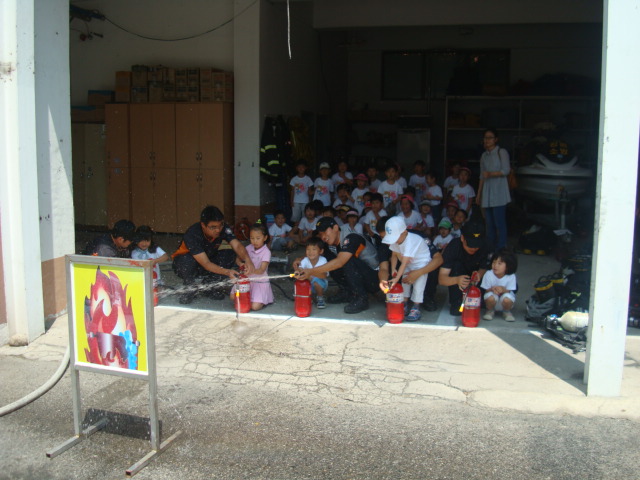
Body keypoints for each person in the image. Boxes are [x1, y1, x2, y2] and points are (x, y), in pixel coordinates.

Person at [294, 217, 380, 314]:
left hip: (374, 278)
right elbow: (319, 252)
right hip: (361, 275)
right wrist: (300, 259)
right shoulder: (331, 242)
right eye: (320, 234)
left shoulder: (351, 237)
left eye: (325, 232)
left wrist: (310, 271)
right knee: (330, 260)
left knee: (345, 260)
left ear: (335, 228)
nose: (323, 237)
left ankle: (361, 298)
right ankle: (347, 292)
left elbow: (340, 262)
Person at [172, 206, 254, 304]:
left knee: (229, 253)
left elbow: (236, 245)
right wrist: (228, 272)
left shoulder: (224, 228)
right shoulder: (192, 234)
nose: (218, 230)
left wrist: (248, 260)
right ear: (203, 225)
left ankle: (210, 286)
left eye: (220, 225)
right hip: (186, 264)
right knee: (187, 261)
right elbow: (206, 263)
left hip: (208, 259)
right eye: (213, 227)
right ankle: (189, 287)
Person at [377, 216, 443, 313]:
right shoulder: (390, 242)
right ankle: (404, 302)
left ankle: (422, 301)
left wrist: (418, 273)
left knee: (420, 284)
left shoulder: (413, 239)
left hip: (421, 265)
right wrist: (384, 280)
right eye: (383, 237)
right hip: (407, 265)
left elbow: (438, 259)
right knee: (404, 281)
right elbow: (385, 265)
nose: (388, 241)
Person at [438, 219, 491, 316]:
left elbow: (484, 267)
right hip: (458, 279)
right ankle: (457, 301)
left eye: (477, 246)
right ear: (462, 238)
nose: (474, 248)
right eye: (470, 245)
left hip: (475, 283)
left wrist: (478, 275)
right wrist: (457, 280)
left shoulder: (485, 246)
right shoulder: (453, 247)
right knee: (457, 266)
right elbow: (442, 279)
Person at [476, 128, 511, 249]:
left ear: (496, 139)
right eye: (485, 138)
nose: (487, 140)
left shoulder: (502, 152)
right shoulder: (484, 156)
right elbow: (482, 176)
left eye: (490, 138)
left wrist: (491, 174)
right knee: (489, 223)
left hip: (499, 191)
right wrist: (479, 194)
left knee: (499, 222)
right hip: (487, 192)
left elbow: (506, 170)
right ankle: (490, 247)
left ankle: (501, 247)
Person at [230, 222, 273, 311]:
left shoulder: (266, 252)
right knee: (232, 297)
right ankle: (247, 299)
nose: (254, 241)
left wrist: (251, 270)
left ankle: (263, 299)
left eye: (258, 238)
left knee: (254, 307)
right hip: (245, 280)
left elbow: (261, 270)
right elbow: (237, 259)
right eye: (252, 238)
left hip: (258, 282)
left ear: (265, 238)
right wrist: (241, 264)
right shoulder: (248, 248)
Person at [480, 248, 518, 322]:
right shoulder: (488, 274)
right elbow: (486, 289)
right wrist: (492, 289)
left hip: (504, 299)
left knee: (507, 299)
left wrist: (503, 289)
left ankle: (506, 311)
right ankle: (490, 310)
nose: (495, 265)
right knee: (490, 297)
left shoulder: (511, 276)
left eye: (499, 263)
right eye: (494, 262)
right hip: (492, 299)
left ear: (508, 266)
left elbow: (510, 290)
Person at [299, 237, 329, 309]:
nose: (310, 252)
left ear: (321, 251)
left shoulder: (323, 260)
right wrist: (299, 272)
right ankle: (309, 297)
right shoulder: (305, 260)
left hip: (321, 283)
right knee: (302, 280)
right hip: (309, 283)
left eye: (314, 249)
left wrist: (310, 273)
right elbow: (300, 269)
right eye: (308, 249)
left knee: (316, 280)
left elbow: (324, 275)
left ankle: (320, 298)